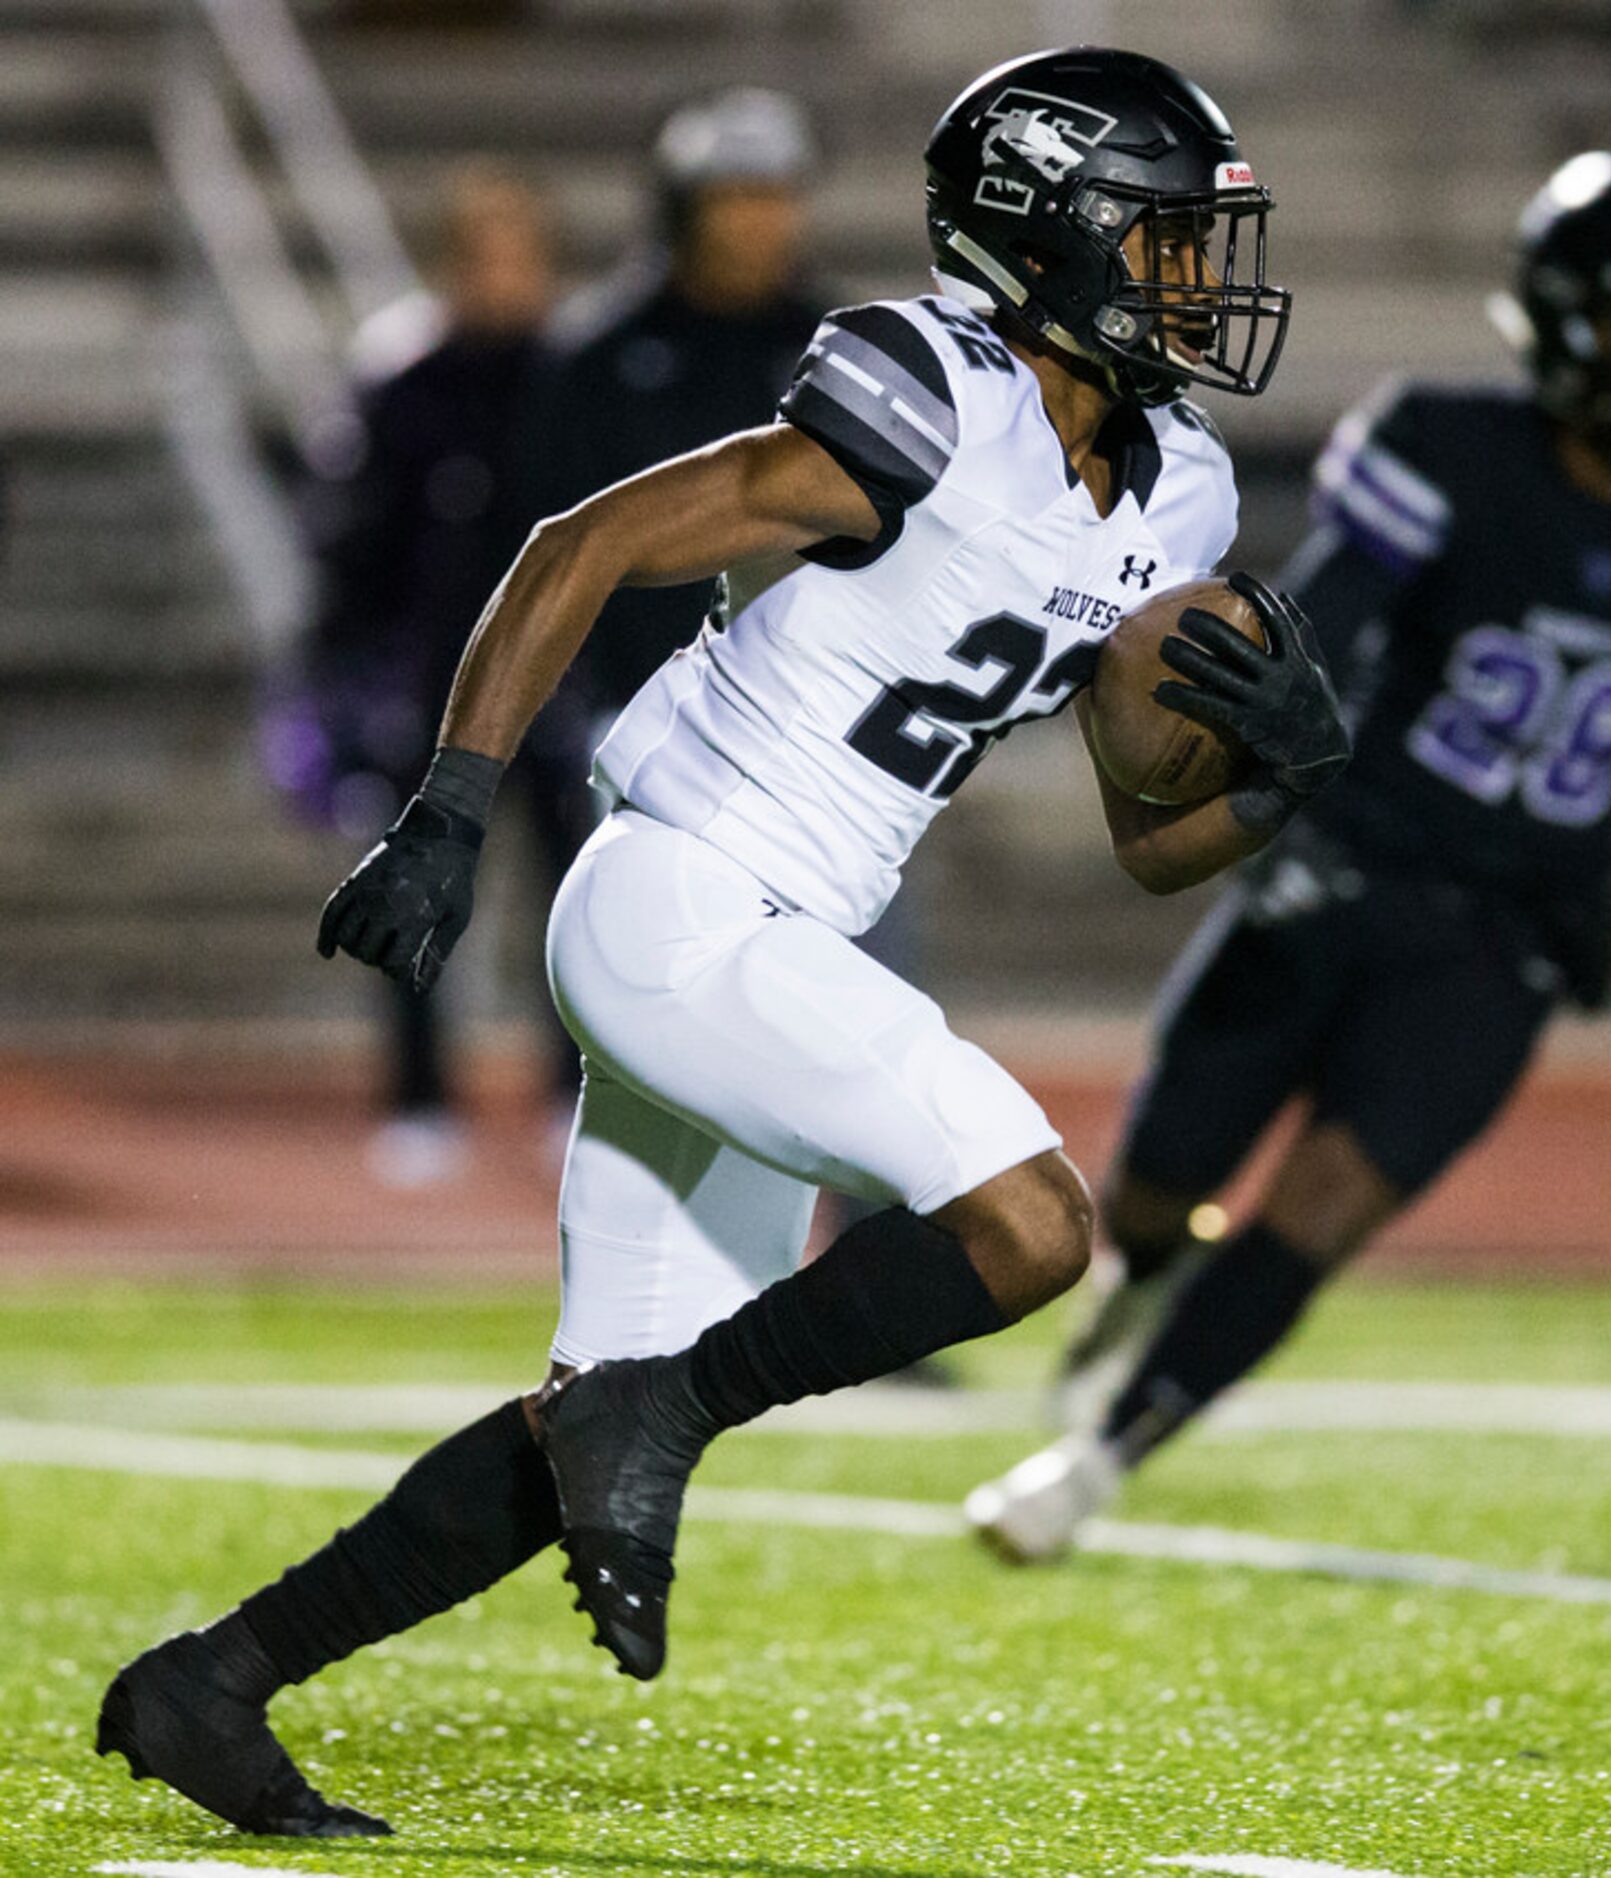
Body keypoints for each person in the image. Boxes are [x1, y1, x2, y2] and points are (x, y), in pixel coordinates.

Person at [94, 47, 1332, 1839]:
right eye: (1161, 240)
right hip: (681, 896)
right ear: (1044, 237)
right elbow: (583, 540)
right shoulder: (934, 391)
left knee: (583, 1424)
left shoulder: (1181, 495)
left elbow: (1154, 843)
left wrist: (1288, 780)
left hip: (774, 942)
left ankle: (211, 1680)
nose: (1199, 281)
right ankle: (656, 1416)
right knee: (1029, 1221)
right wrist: (449, 804)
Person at [964, 152, 1611, 1564]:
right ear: (1569, 318)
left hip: (1510, 927)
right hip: (1348, 867)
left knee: (1325, 1203)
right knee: (1151, 1189)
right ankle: (1134, 1294)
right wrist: (1264, 794)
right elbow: (1324, 631)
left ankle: (1100, 1458)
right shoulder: (1447, 444)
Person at [286, 165, 587, 1184]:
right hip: (431, 684)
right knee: (412, 885)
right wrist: (341, 669)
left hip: (559, 681)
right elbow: (354, 537)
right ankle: (418, 1098)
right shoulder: (402, 379)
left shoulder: (575, 376)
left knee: (578, 898)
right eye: (486, 256)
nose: (507, 276)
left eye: (521, 254)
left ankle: (573, 1088)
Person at [509, 86, 831, 721]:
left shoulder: (837, 346)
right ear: (684, 206)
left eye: (776, 194)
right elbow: (543, 529)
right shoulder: (595, 356)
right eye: (735, 195)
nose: (759, 220)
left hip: (802, 708)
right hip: (631, 701)